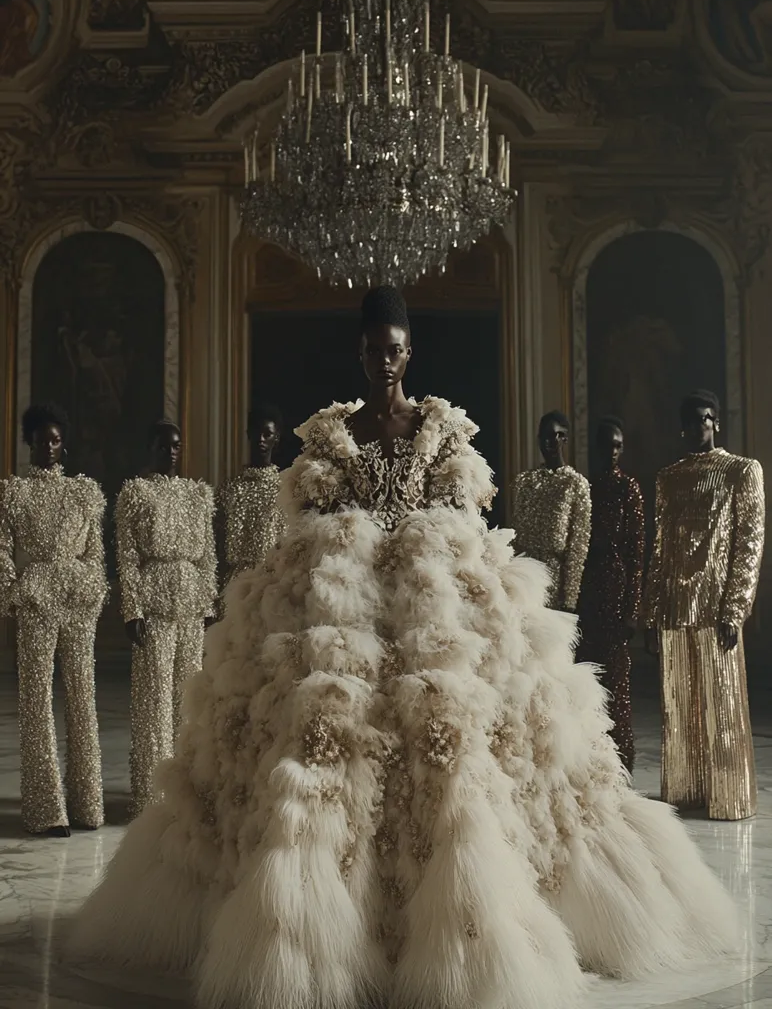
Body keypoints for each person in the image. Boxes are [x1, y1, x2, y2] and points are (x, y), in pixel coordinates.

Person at [72, 289, 738, 1009]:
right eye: (372, 349)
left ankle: (472, 918)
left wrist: (419, 545)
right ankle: (315, 923)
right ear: (360, 354)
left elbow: (459, 507)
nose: (383, 361)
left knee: (469, 729)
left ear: (408, 353)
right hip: (340, 599)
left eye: (394, 349)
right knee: (310, 725)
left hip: (432, 596)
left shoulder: (440, 430)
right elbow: (310, 510)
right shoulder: (333, 433)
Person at [644, 390, 765, 821]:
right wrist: (652, 612)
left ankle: (729, 797)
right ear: (682, 427)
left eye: (707, 419)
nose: (701, 427)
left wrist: (735, 608)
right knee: (681, 710)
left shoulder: (741, 472)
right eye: (693, 420)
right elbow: (658, 551)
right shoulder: (668, 478)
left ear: (716, 423)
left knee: (722, 708)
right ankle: (686, 792)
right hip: (676, 609)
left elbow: (748, 545)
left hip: (716, 610)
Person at [0, 403, 106, 837]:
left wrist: (94, 588)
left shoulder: (84, 492)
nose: (48, 446)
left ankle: (87, 806)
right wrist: (14, 593)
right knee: (36, 699)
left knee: (82, 696)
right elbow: (2, 549)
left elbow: (96, 552)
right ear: (29, 442)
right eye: (41, 438)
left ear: (64, 445)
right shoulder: (13, 492)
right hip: (36, 602)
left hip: (78, 601)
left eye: (55, 439)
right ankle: (47, 809)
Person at [115, 419, 217, 815]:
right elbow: (126, 556)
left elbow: (208, 556)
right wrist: (132, 608)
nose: (170, 452)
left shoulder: (197, 494)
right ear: (150, 448)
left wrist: (209, 605)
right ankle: (149, 794)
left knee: (186, 699)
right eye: (162, 446)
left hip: (191, 606)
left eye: (176, 446)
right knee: (152, 700)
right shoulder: (135, 493)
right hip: (154, 605)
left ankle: (182, 792)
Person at [577, 417, 645, 774]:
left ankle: (622, 762)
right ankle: (592, 760)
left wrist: (631, 610)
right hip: (588, 592)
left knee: (617, 682)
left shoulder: (628, 489)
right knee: (588, 677)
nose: (612, 453)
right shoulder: (587, 487)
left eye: (618, 446)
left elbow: (636, 555)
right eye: (607, 446)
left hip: (616, 592)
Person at [510, 411, 591, 611]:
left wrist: (570, 598)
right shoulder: (525, 482)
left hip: (555, 578)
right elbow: (515, 537)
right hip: (526, 577)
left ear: (563, 438)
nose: (548, 442)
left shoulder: (575, 484)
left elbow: (577, 547)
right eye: (543, 437)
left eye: (554, 435)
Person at [215, 402, 286, 597]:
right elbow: (217, 544)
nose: (261, 440)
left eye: (267, 434)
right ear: (248, 434)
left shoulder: (284, 487)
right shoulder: (230, 488)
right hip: (234, 585)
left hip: (272, 584)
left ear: (276, 437)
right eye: (256, 433)